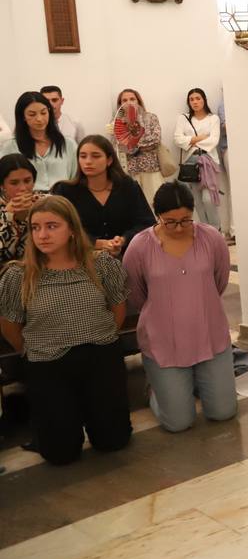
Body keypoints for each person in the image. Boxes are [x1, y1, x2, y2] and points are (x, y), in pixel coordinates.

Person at [0, 195, 132, 465]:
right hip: (49, 363)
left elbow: (117, 308)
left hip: (99, 356)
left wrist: (100, 336)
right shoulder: (18, 275)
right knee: (60, 454)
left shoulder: (101, 264)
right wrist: (29, 350)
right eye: (35, 227)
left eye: (51, 226)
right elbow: (9, 323)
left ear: (71, 228)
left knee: (113, 441)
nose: (42, 235)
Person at [121, 182, 235, 433]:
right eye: (170, 222)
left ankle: (190, 384)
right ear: (157, 216)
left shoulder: (211, 238)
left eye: (186, 220)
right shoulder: (140, 247)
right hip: (164, 342)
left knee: (223, 412)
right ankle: (156, 390)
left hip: (209, 336)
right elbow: (137, 294)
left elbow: (219, 281)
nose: (179, 227)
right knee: (178, 423)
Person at [51, 136, 154, 258]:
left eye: (95, 156)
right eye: (83, 156)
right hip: (81, 259)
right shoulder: (65, 191)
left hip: (126, 256)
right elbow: (59, 228)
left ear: (109, 160)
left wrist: (123, 240)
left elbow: (146, 223)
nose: (88, 161)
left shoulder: (128, 186)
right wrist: (97, 243)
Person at [1, 92, 76, 190]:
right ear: (23, 116)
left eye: (44, 113)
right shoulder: (11, 146)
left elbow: (76, 177)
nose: (39, 119)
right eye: (32, 114)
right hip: (27, 201)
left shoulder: (68, 144)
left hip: (62, 201)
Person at [172, 88, 224, 229]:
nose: (195, 102)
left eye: (198, 98)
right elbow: (177, 139)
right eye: (191, 99)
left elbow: (213, 141)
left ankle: (215, 229)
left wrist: (190, 141)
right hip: (190, 163)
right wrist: (200, 138)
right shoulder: (183, 118)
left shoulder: (213, 118)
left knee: (208, 199)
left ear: (204, 100)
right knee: (197, 201)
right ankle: (204, 231)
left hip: (208, 161)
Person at [109, 88, 165, 205]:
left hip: (150, 167)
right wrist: (139, 143)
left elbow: (155, 140)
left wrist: (132, 143)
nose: (128, 102)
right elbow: (117, 145)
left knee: (156, 203)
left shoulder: (150, 117)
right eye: (124, 100)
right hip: (130, 170)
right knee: (134, 204)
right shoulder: (116, 122)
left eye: (132, 99)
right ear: (120, 104)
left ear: (138, 101)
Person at [0, 154, 40, 263]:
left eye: (27, 181)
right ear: (2, 185)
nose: (23, 188)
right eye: (14, 183)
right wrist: (8, 218)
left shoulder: (45, 203)